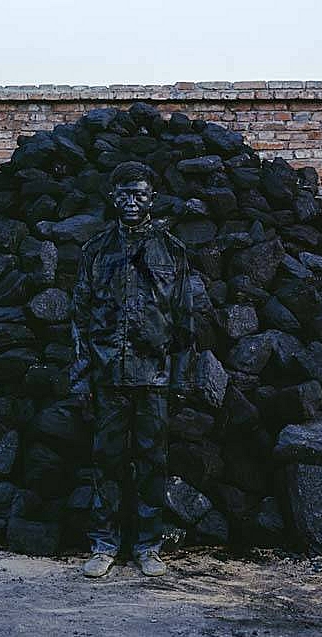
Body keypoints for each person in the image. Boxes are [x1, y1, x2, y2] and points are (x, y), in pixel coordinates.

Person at [69, 161, 195, 578]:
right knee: (105, 460)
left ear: (151, 198)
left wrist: (181, 377)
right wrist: (81, 377)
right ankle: (104, 545)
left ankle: (147, 547)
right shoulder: (95, 251)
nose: (131, 201)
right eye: (124, 194)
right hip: (107, 374)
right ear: (113, 197)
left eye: (139, 194)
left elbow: (184, 318)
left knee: (152, 462)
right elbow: (80, 317)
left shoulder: (171, 251)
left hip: (154, 376)